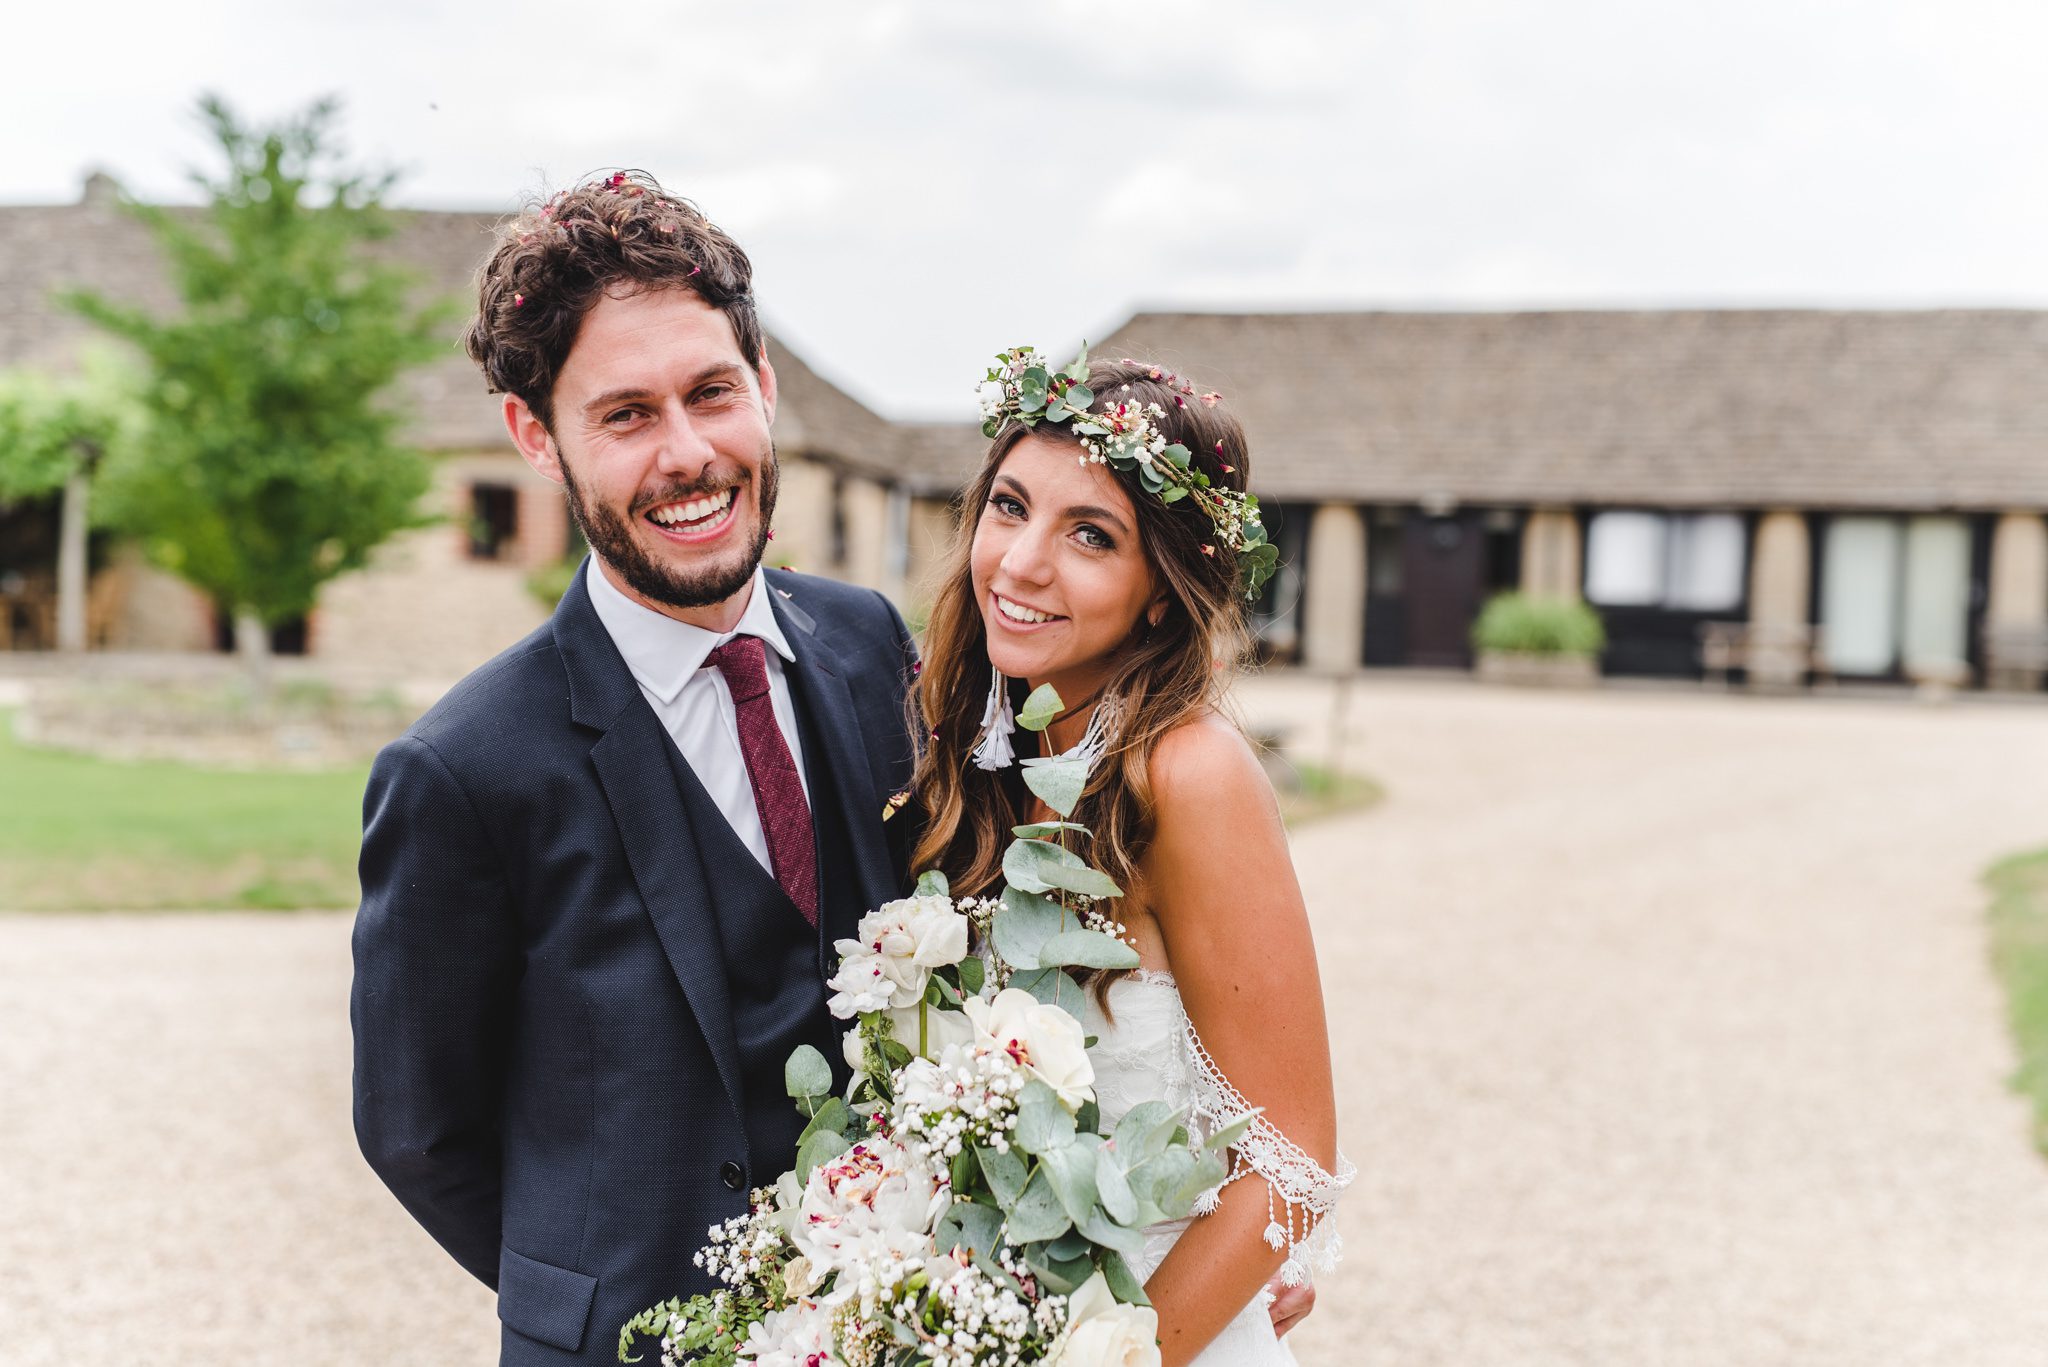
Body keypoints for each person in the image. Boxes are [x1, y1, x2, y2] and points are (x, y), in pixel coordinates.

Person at [349, 170, 921, 1365]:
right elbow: (416, 1129)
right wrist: (593, 1280)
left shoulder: (869, 642)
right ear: (537, 439)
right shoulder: (459, 771)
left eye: (711, 393)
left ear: (763, 390)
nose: (687, 455)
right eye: (623, 415)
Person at [905, 350, 1354, 1365]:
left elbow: (1289, 1165)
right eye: (1008, 506)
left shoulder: (1188, 774)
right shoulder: (976, 760)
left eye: (1091, 536)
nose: (1019, 562)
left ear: (1163, 588)